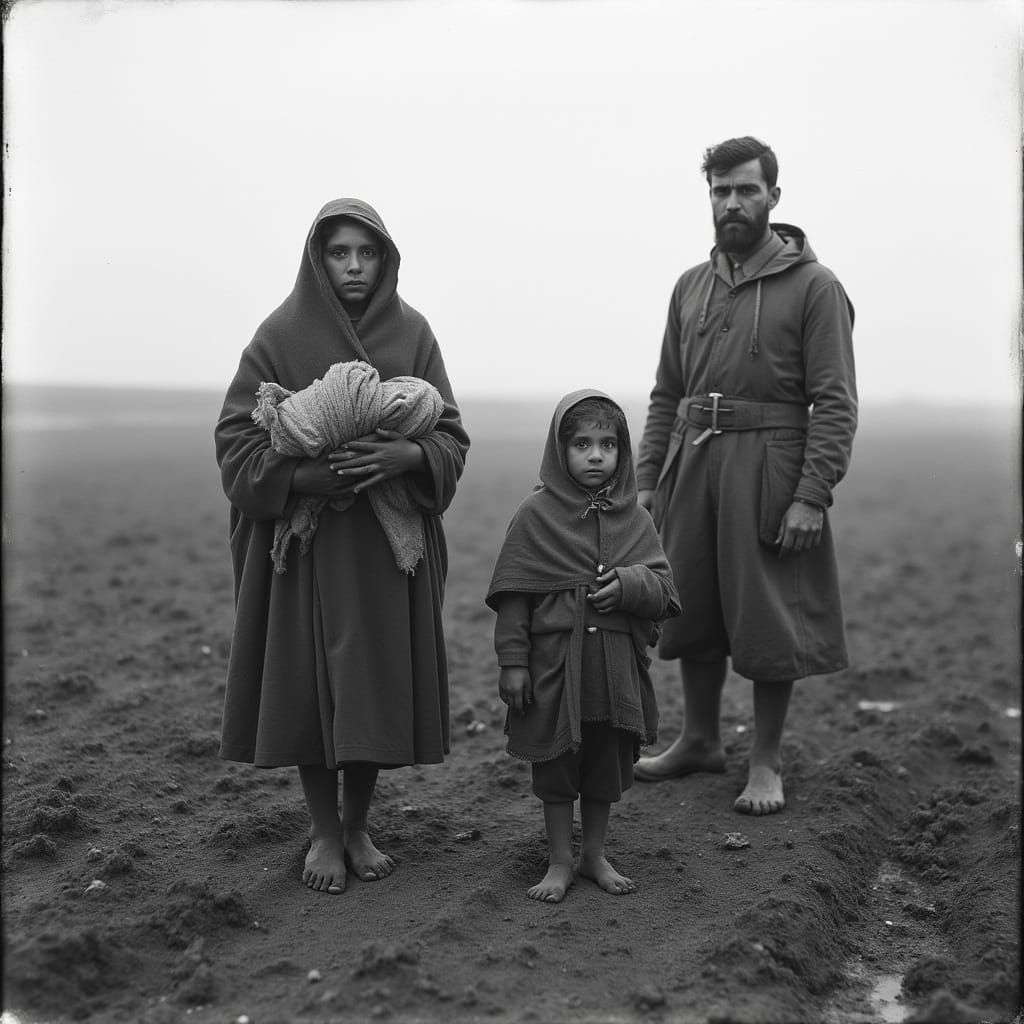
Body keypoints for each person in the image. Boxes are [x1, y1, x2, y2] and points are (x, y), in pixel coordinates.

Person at [215, 198, 470, 895]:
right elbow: (235, 443)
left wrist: (406, 457)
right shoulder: (280, 335)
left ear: (386, 259)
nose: (354, 265)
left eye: (367, 252)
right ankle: (323, 830)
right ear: (317, 259)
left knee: (369, 684)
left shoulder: (413, 333)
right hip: (304, 551)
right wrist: (306, 476)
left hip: (385, 549)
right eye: (339, 252)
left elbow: (450, 437)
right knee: (308, 685)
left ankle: (357, 825)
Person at [633, 136, 857, 816]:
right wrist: (647, 480)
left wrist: (811, 495)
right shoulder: (689, 286)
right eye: (721, 190)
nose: (732, 202)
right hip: (692, 459)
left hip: (770, 466)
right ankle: (699, 740)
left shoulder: (816, 287)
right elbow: (666, 392)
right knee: (692, 604)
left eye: (746, 190)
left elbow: (835, 402)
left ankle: (765, 761)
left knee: (767, 615)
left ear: (773, 197)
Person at [486, 391, 680, 903]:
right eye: (582, 444)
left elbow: (665, 592)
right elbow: (513, 596)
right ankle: (559, 859)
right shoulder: (534, 515)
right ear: (559, 449)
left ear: (623, 451)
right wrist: (513, 663)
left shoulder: (636, 519)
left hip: (613, 670)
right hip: (553, 669)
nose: (596, 455)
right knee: (555, 766)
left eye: (607, 444)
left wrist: (631, 586)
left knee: (603, 765)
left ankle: (594, 855)